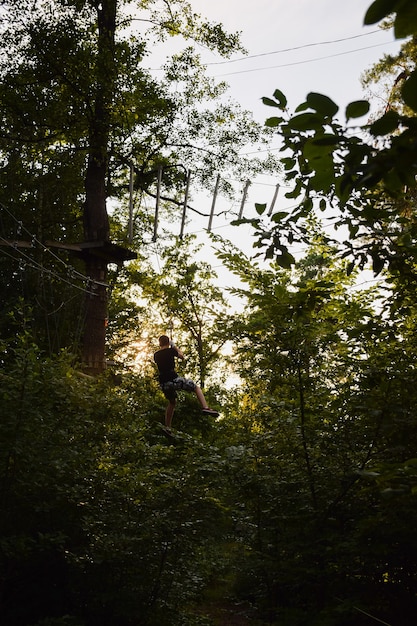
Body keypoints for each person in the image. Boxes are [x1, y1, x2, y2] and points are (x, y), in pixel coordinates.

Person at [154, 335, 219, 429]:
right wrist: (174, 346)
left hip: (164, 384)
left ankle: (168, 427)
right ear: (168, 343)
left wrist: (170, 346)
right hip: (173, 380)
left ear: (159, 343)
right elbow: (181, 356)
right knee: (196, 387)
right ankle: (205, 408)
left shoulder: (156, 355)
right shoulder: (171, 351)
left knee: (172, 402)